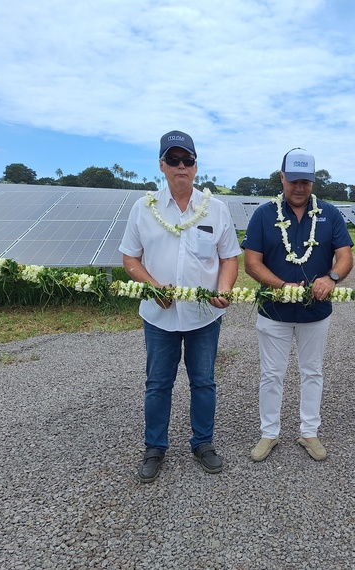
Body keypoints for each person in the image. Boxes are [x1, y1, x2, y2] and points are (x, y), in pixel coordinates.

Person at [119, 130, 241, 483]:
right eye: (173, 160)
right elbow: (130, 257)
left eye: (187, 159)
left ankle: (202, 443)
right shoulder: (144, 209)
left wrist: (224, 288)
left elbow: (229, 258)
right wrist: (152, 287)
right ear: (162, 165)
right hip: (159, 316)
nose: (181, 166)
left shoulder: (215, 209)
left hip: (205, 316)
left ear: (196, 166)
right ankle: (154, 447)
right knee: (158, 383)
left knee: (204, 382)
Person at [242, 148, 353, 462]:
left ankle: (309, 432)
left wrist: (331, 277)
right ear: (282, 177)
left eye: (305, 180)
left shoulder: (329, 213)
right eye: (293, 180)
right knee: (271, 374)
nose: (299, 187)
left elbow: (345, 256)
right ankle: (269, 434)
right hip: (273, 311)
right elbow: (252, 262)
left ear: (313, 181)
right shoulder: (264, 213)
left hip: (315, 313)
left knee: (312, 372)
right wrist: (282, 286)